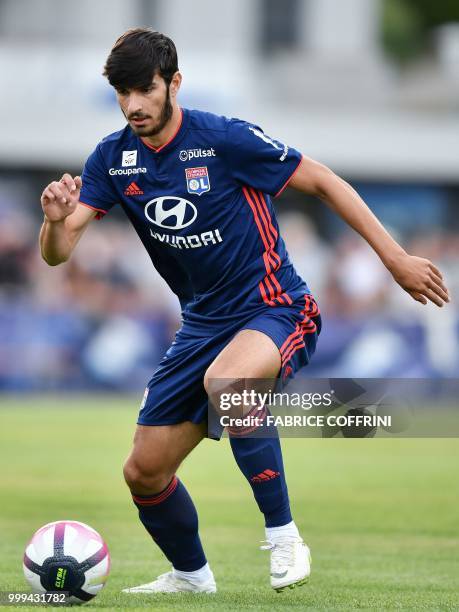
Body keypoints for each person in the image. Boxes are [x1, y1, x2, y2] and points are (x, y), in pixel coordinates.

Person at [39, 28, 449, 595]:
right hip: (202, 325)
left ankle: (284, 537)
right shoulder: (114, 158)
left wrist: (396, 258)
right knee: (144, 471)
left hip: (275, 306)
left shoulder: (225, 140)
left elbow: (324, 181)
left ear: (173, 83)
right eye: (121, 93)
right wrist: (55, 221)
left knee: (229, 382)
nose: (133, 104)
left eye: (144, 89)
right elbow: (58, 256)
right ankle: (191, 576)